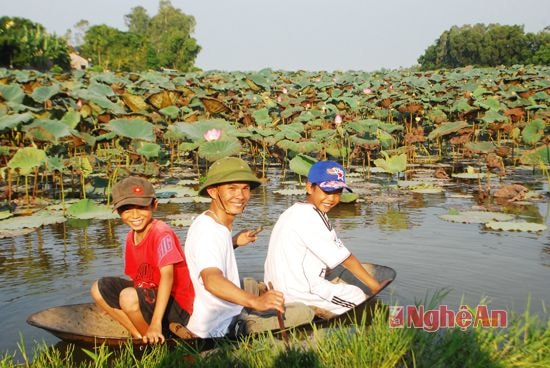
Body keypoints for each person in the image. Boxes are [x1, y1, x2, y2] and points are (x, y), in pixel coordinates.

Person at [264, 160, 387, 317]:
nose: (332, 199)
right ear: (309, 187)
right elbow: (346, 259)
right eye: (327, 191)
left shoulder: (294, 211)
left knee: (334, 275)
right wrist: (375, 286)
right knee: (358, 297)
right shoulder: (311, 217)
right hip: (297, 292)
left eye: (337, 192)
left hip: (277, 288)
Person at [184, 157, 285, 338]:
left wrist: (235, 242)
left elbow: (211, 253)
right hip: (220, 326)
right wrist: (256, 302)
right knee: (302, 312)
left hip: (227, 315)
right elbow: (211, 280)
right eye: (232, 188)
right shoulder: (208, 230)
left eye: (245, 188)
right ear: (213, 192)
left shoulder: (214, 224)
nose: (240, 195)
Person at [90, 176, 194, 344]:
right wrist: (112, 303)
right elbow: (138, 278)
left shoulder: (161, 233)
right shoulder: (131, 236)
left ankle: (155, 340)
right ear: (118, 211)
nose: (135, 215)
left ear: (154, 205)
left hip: (176, 305)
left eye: (141, 207)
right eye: (127, 209)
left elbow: (168, 276)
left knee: (128, 297)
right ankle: (139, 336)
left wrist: (156, 322)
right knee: (98, 288)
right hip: (151, 293)